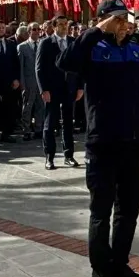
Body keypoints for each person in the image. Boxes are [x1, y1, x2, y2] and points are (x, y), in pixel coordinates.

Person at [61, 0, 139, 277]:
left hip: (133, 141)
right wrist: (95, 31)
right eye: (116, 19)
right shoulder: (90, 49)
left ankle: (120, 264)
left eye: (125, 19)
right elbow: (66, 62)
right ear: (103, 20)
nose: (123, 24)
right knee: (101, 211)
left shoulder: (137, 50)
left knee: (128, 210)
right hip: (103, 142)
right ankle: (100, 270)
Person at [36, 14, 81, 170]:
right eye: (60, 24)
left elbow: (79, 66)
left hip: (69, 89)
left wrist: (80, 87)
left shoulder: (73, 42)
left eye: (65, 24)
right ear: (54, 26)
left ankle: (69, 155)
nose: (63, 27)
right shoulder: (46, 43)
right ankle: (49, 156)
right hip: (52, 90)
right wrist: (44, 90)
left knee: (68, 123)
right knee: (50, 123)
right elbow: (39, 68)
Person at [18, 23, 45, 140]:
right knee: (28, 107)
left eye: (38, 29)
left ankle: (38, 129)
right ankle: (26, 130)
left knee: (41, 107)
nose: (37, 31)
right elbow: (20, 67)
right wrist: (22, 83)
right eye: (34, 29)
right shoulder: (22, 47)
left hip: (41, 83)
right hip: (28, 82)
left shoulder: (43, 45)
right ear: (29, 31)